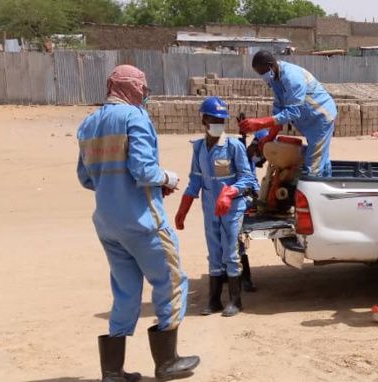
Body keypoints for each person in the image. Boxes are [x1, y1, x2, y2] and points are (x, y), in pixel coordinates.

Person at [77, 65, 199, 381]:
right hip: (143, 221)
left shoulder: (88, 124)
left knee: (126, 292)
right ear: (133, 88)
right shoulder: (134, 117)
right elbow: (145, 171)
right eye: (143, 89)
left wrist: (113, 185)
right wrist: (167, 178)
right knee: (171, 282)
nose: (144, 96)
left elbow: (85, 178)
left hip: (107, 223)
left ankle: (113, 371)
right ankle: (167, 361)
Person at [174, 96, 258, 317]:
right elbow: (195, 179)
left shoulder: (234, 146)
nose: (218, 124)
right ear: (204, 120)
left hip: (232, 208)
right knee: (214, 252)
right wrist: (183, 208)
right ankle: (214, 301)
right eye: (214, 119)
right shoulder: (199, 147)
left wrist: (230, 193)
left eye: (221, 120)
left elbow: (247, 179)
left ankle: (235, 301)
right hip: (210, 207)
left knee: (230, 252)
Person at [238, 50, 337, 177]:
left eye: (262, 73)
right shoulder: (274, 79)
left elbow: (293, 112)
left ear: (270, 66)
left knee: (314, 164)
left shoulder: (292, 77)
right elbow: (279, 109)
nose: (262, 76)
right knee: (320, 156)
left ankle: (313, 193)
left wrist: (259, 123)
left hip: (320, 118)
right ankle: (326, 183)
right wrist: (270, 136)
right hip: (308, 121)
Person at [237, 128, 269, 292]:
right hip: (238, 200)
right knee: (236, 240)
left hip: (247, 197)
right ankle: (244, 278)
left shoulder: (248, 154)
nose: (262, 159)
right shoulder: (241, 154)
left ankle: (239, 276)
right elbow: (247, 180)